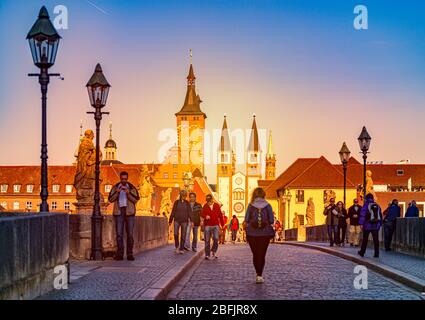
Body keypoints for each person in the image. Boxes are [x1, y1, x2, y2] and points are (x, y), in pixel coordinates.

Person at [244, 187, 275, 284]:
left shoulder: (250, 205)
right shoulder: (268, 205)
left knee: (255, 254)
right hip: (265, 234)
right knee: (262, 254)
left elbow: (246, 219)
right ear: (263, 195)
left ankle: (257, 272)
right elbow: (271, 220)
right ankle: (259, 275)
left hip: (252, 234)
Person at [108, 171, 140, 261]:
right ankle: (120, 254)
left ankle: (130, 254)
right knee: (119, 234)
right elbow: (110, 199)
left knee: (130, 234)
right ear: (120, 178)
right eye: (122, 179)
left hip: (129, 213)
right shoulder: (116, 187)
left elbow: (136, 199)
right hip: (119, 213)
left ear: (127, 179)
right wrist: (117, 193)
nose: (123, 181)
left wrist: (128, 193)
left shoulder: (131, 187)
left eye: (125, 179)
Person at [358, 193, 383, 258]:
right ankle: (376, 253)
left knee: (365, 239)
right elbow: (380, 215)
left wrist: (361, 223)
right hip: (376, 225)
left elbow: (362, 215)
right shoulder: (377, 205)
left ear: (366, 198)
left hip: (367, 225)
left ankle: (362, 252)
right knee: (376, 240)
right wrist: (380, 224)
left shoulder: (366, 205)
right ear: (372, 198)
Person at [201, 194, 224, 260]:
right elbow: (202, 213)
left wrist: (222, 225)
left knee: (216, 238)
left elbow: (220, 215)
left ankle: (214, 251)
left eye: (209, 201)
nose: (208, 202)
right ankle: (207, 254)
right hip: (207, 225)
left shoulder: (216, 206)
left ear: (212, 199)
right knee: (207, 240)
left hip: (215, 225)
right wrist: (205, 216)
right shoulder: (205, 206)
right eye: (207, 201)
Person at [169, 190, 191, 254]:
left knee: (183, 235)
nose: (184, 196)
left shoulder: (187, 203)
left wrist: (192, 221)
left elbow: (189, 212)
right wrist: (170, 220)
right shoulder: (176, 202)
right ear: (181, 195)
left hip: (185, 221)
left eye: (185, 195)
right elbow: (173, 211)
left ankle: (181, 248)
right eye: (183, 195)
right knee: (175, 233)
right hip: (177, 220)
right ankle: (177, 246)